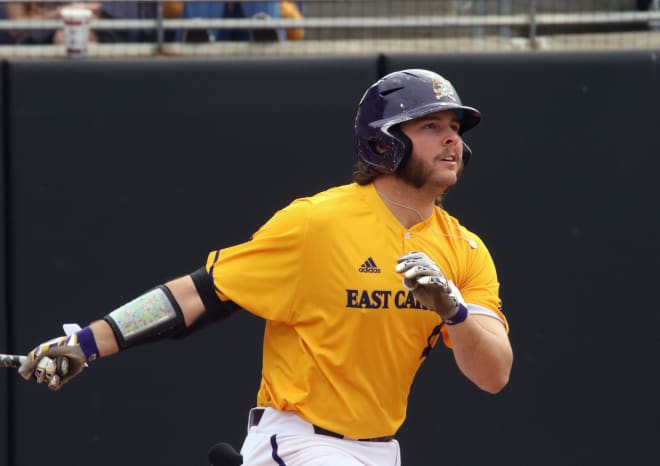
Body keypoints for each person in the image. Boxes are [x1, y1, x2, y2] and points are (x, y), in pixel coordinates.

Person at [19, 68, 513, 466]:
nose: (451, 140)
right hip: (300, 445)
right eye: (431, 126)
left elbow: (494, 374)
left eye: (455, 128)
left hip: (381, 450)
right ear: (384, 142)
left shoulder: (465, 250)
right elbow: (198, 294)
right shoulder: (316, 223)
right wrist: (87, 343)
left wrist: (454, 311)